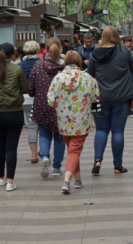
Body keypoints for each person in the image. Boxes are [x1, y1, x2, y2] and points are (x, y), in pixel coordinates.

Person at [48, 49, 100, 194]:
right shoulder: (88, 78)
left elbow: (50, 100)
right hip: (82, 122)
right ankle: (66, 181)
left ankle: (78, 179)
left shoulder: (57, 78)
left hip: (64, 121)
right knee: (74, 151)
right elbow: (96, 99)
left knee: (72, 151)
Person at [88, 26, 133, 175]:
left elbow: (90, 74)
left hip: (98, 99)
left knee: (100, 130)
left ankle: (97, 160)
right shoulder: (124, 51)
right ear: (117, 36)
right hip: (121, 98)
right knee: (118, 131)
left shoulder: (95, 53)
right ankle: (117, 166)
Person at [0, 42, 30, 190]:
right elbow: (25, 89)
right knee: (11, 148)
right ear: (12, 55)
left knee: (0, 147)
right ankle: (10, 182)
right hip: (14, 112)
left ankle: (1, 179)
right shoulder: (17, 70)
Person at [29, 38, 66, 180]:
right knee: (59, 138)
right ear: (60, 49)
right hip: (60, 107)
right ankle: (56, 168)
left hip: (41, 106)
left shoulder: (38, 65)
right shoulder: (64, 67)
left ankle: (44, 156)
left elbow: (30, 88)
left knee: (44, 134)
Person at [19, 41, 41, 164]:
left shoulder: (20, 66)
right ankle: (43, 149)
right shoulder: (41, 63)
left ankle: (33, 155)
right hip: (40, 98)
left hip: (25, 99)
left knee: (31, 126)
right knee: (42, 126)